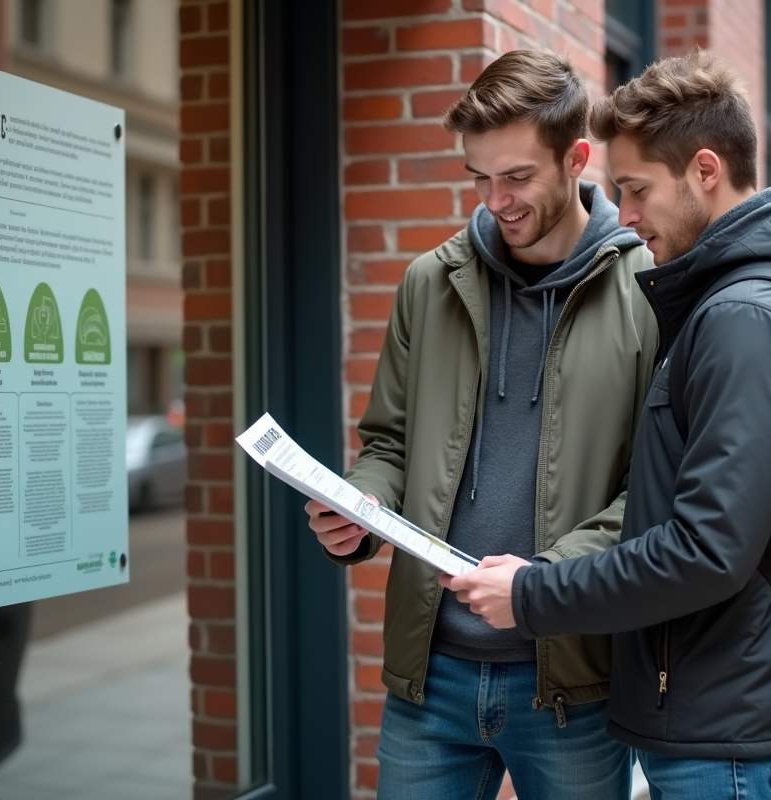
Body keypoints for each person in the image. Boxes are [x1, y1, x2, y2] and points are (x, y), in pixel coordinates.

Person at [445, 49, 771, 799]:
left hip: (729, 735)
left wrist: (535, 593)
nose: (626, 216)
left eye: (635, 189)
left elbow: (707, 548)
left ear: (704, 170)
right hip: (719, 717)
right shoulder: (735, 301)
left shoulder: (747, 318)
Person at [305, 49, 657, 799]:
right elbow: (390, 441)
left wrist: (545, 581)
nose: (497, 200)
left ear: (577, 158)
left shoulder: (648, 293)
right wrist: (360, 507)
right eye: (481, 179)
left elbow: (657, 488)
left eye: (519, 177)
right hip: (429, 679)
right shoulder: (430, 282)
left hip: (572, 683)